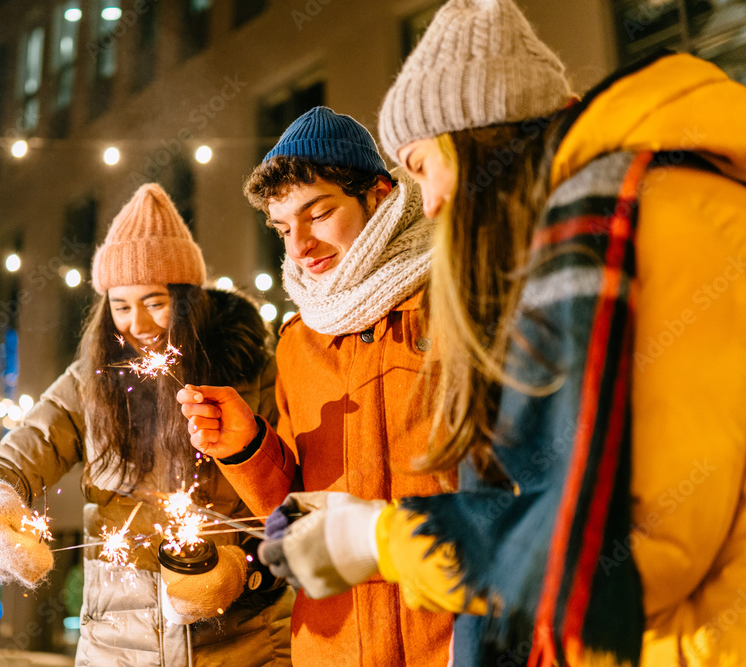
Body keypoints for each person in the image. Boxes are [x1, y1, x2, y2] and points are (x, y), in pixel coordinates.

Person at [255, 1, 746, 666]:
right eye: (284, 228)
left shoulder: (641, 224)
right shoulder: (583, 240)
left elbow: (631, 547)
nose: (427, 201)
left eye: (423, 166)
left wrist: (380, 537)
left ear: (477, 138)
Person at [0, 183, 293, 667]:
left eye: (155, 302)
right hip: (116, 654)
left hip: (246, 651)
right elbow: (10, 460)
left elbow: (303, 505)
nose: (137, 324)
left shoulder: (255, 377)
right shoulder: (88, 385)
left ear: (188, 299)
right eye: (121, 305)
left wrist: (242, 570)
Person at [177, 106, 453, 666]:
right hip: (334, 647)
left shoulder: (458, 306)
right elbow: (295, 516)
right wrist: (247, 447)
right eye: (283, 228)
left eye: (319, 213)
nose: (300, 245)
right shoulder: (299, 343)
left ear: (378, 195)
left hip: (450, 641)